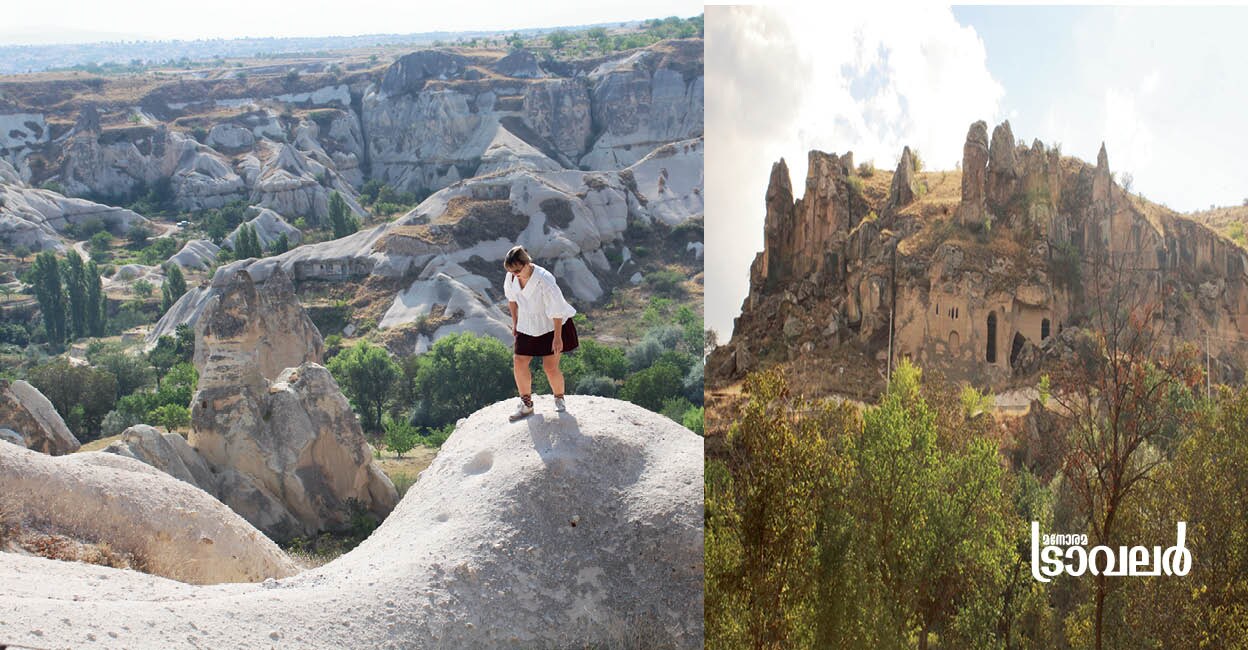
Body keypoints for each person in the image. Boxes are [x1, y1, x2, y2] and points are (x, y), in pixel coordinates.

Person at [503, 245, 579, 420]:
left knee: (550, 367)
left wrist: (558, 338)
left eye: (517, 270)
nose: (514, 274)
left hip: (552, 325)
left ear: (527, 263)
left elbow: (557, 309)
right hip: (527, 324)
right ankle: (526, 404)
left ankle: (559, 399)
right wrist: (515, 323)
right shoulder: (512, 277)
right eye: (511, 270)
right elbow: (512, 301)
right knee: (519, 361)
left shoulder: (544, 279)